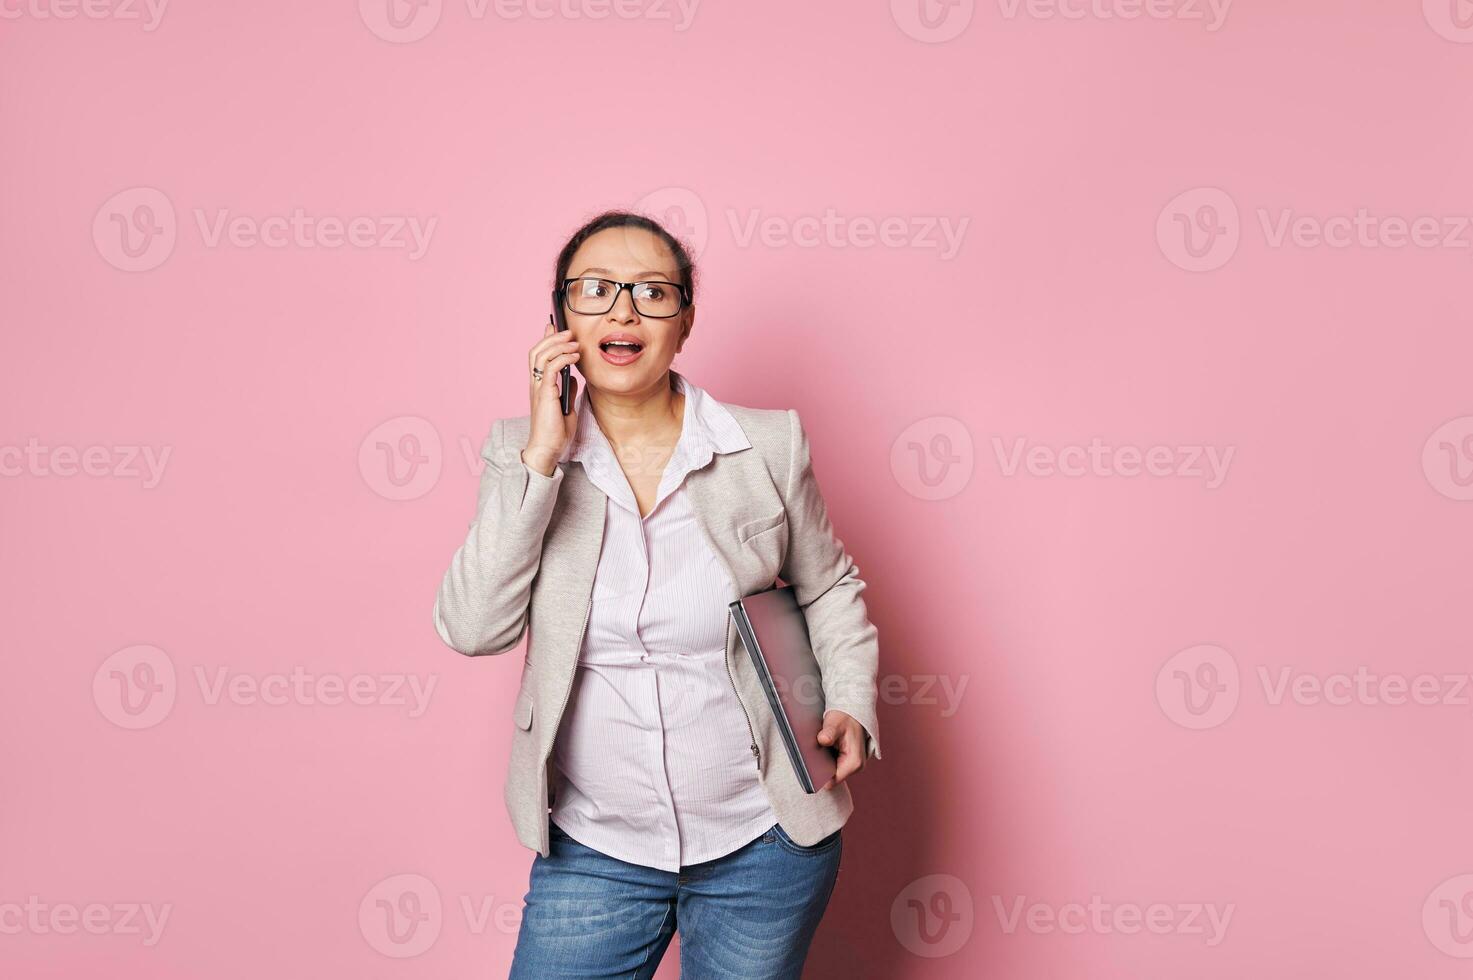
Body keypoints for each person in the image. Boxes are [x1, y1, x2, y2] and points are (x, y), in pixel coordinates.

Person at [432, 210, 883, 979]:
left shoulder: (763, 444)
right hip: (596, 846)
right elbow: (475, 628)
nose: (623, 311)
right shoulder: (518, 451)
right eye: (596, 290)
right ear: (559, 319)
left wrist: (849, 698)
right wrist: (541, 457)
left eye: (651, 292)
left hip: (765, 839)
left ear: (686, 322)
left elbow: (829, 582)